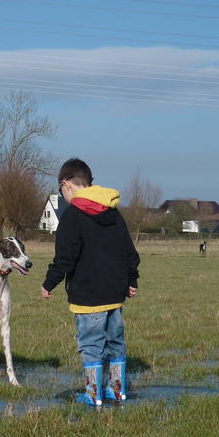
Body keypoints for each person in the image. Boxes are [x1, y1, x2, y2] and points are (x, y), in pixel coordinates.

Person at [41, 158, 140, 406]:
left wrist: (48, 283)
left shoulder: (72, 216)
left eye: (61, 191)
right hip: (114, 295)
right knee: (115, 343)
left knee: (91, 345)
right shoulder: (114, 213)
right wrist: (131, 280)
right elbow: (129, 252)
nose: (63, 196)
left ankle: (93, 394)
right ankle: (117, 390)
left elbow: (65, 258)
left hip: (88, 297)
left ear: (66, 184)